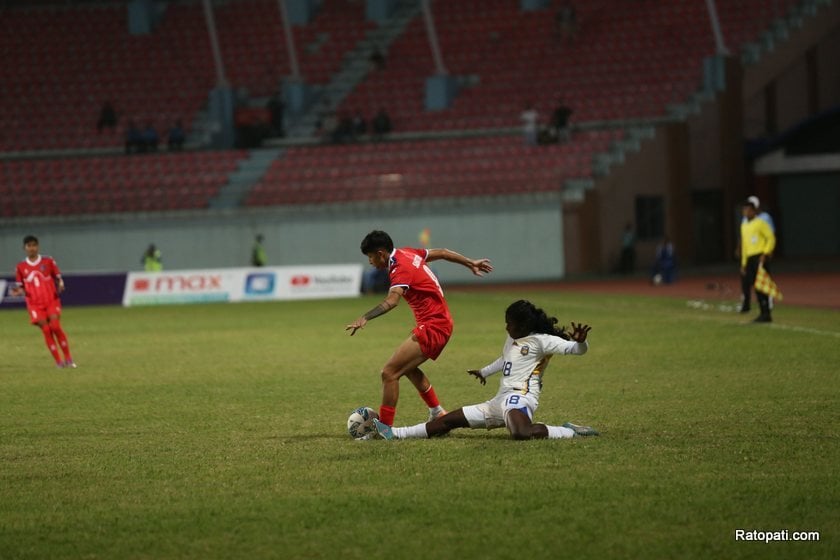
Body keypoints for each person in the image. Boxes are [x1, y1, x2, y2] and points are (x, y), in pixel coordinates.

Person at [372, 300, 598, 441]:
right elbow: (505, 359)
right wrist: (484, 372)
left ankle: (569, 431)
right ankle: (395, 434)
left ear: (523, 326)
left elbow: (576, 350)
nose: (506, 327)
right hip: (498, 401)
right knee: (447, 421)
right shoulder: (512, 338)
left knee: (521, 433)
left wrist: (580, 342)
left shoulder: (543, 341)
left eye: (510, 323)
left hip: (520, 399)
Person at [346, 230, 493, 427]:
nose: (370, 262)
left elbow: (392, 301)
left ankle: (385, 429)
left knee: (389, 373)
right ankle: (437, 412)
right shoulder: (407, 252)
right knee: (407, 367)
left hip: (434, 325)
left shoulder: (399, 268)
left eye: (371, 257)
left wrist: (365, 317)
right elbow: (442, 252)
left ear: (381, 253)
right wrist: (470, 262)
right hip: (437, 322)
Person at [10, 235, 76, 368]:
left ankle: (69, 359)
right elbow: (20, 286)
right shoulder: (21, 267)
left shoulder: (48, 261)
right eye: (29, 246)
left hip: (51, 300)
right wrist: (18, 291)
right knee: (46, 330)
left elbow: (58, 277)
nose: (32, 248)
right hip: (34, 305)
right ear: (24, 248)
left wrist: (61, 283)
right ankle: (59, 361)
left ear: (38, 246)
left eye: (34, 245)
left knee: (55, 327)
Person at [740, 199, 776, 322]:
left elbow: (770, 238)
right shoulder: (744, 225)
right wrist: (744, 263)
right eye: (744, 210)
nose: (746, 212)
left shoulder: (760, 223)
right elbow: (745, 246)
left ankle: (767, 311)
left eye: (748, 210)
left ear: (754, 211)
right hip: (750, 258)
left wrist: (765, 253)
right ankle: (762, 312)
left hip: (760, 257)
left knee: (762, 285)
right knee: (755, 286)